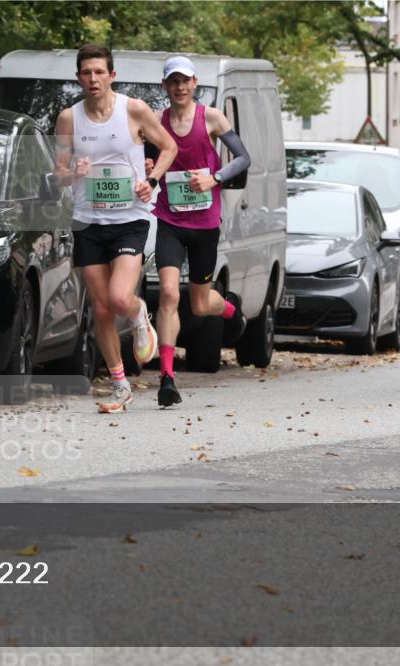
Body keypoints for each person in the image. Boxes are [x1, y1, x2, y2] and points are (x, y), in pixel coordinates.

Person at [54, 44, 178, 414]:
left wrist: (151, 181)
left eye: (99, 72)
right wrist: (72, 172)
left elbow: (169, 147)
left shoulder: (133, 110)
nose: (93, 79)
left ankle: (140, 317)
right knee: (102, 309)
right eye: (86, 73)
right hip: (87, 221)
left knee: (121, 298)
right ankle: (120, 386)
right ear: (78, 78)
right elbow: (58, 175)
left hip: (129, 220)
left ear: (112, 75)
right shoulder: (69, 119)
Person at [151, 55, 251, 408]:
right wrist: (147, 165)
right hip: (170, 221)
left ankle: (230, 310)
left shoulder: (211, 117)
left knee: (199, 303)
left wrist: (214, 178)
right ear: (165, 86)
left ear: (195, 83)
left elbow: (243, 158)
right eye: (173, 81)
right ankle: (167, 378)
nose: (179, 87)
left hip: (205, 224)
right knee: (168, 294)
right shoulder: (157, 121)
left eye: (185, 81)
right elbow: (144, 157)